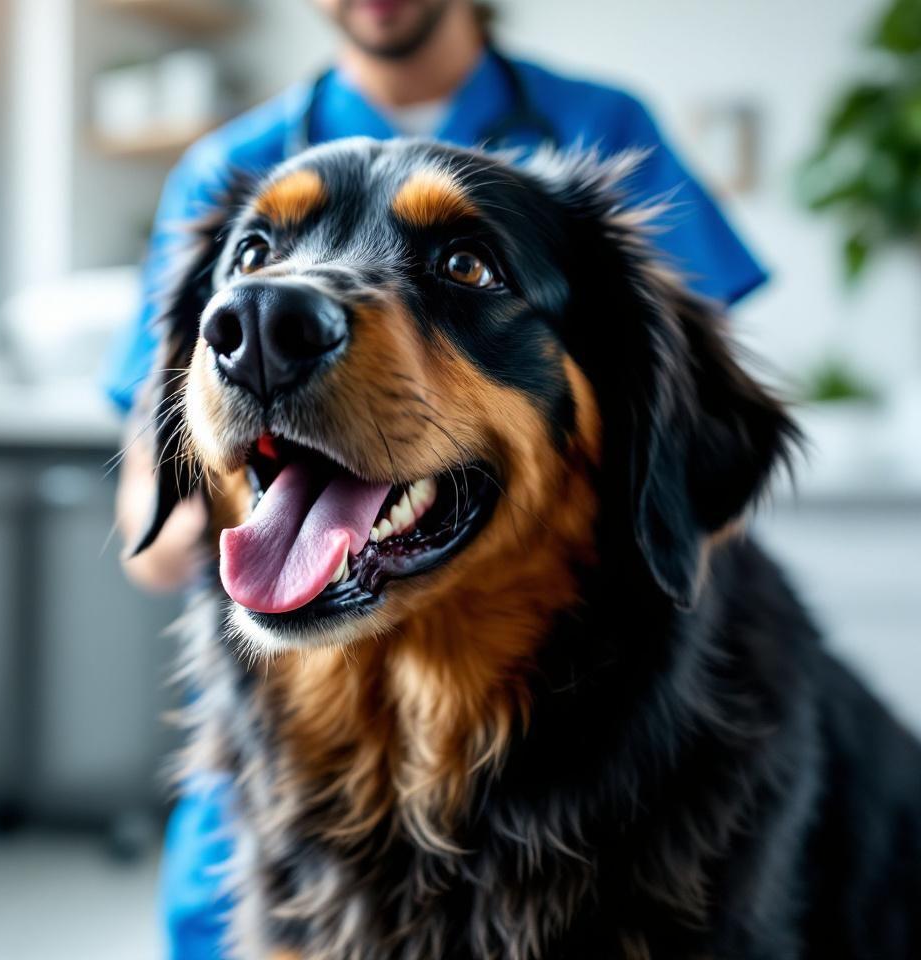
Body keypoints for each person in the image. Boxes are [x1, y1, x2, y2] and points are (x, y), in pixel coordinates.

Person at [102, 1, 767, 955]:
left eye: (466, 261)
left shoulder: (608, 127)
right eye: (258, 258)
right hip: (283, 776)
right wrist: (243, 516)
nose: (271, 305)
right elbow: (156, 500)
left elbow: (679, 433)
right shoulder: (224, 165)